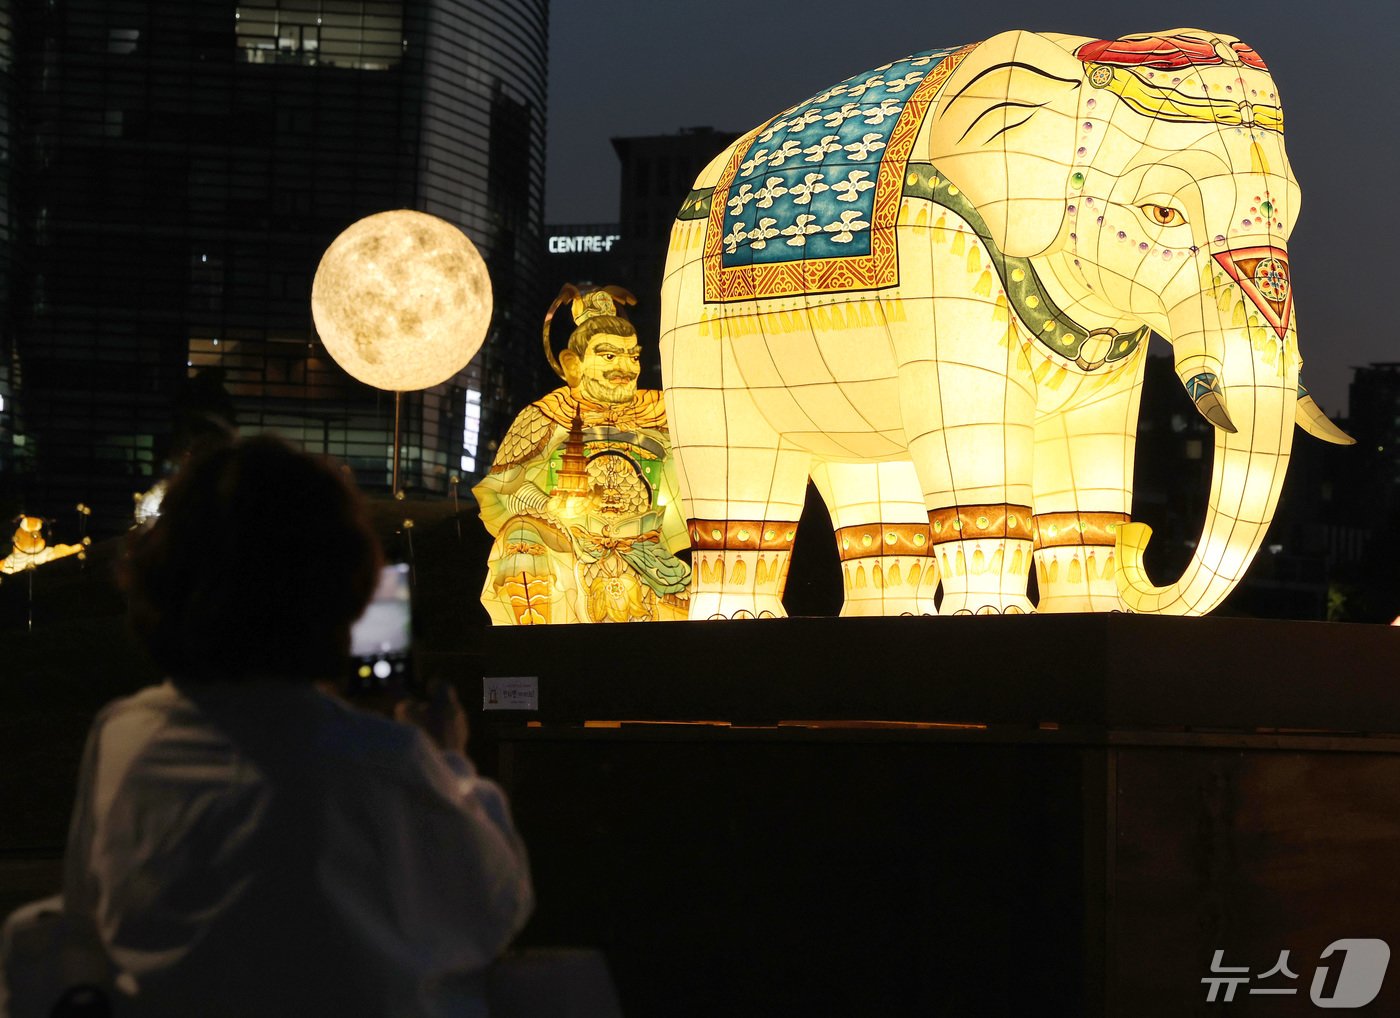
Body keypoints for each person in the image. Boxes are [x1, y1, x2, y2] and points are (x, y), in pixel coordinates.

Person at [2, 436, 531, 1017]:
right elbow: (492, 912)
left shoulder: (124, 735)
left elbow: (88, 913)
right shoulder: (381, 758)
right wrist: (449, 760)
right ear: (340, 590)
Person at [473, 285, 691, 624]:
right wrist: (548, 506)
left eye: (632, 356)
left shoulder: (662, 410)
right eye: (608, 356)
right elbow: (507, 487)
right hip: (567, 540)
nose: (626, 368)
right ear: (573, 364)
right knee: (520, 542)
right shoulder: (547, 413)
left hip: (647, 546)